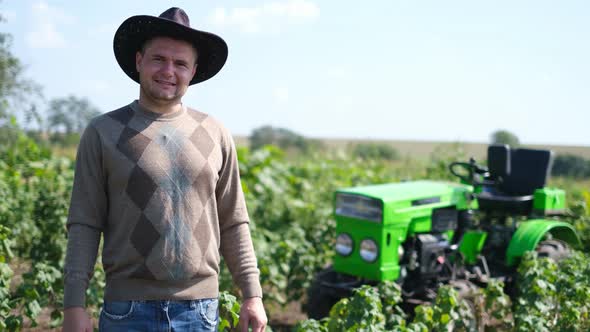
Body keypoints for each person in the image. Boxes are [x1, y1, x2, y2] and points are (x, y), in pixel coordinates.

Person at [62, 7, 267, 332]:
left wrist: (252, 296)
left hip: (199, 312)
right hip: (126, 311)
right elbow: (84, 224)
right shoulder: (104, 132)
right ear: (139, 61)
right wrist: (74, 304)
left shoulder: (214, 132)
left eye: (180, 63)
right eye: (159, 59)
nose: (168, 70)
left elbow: (234, 222)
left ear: (193, 70)